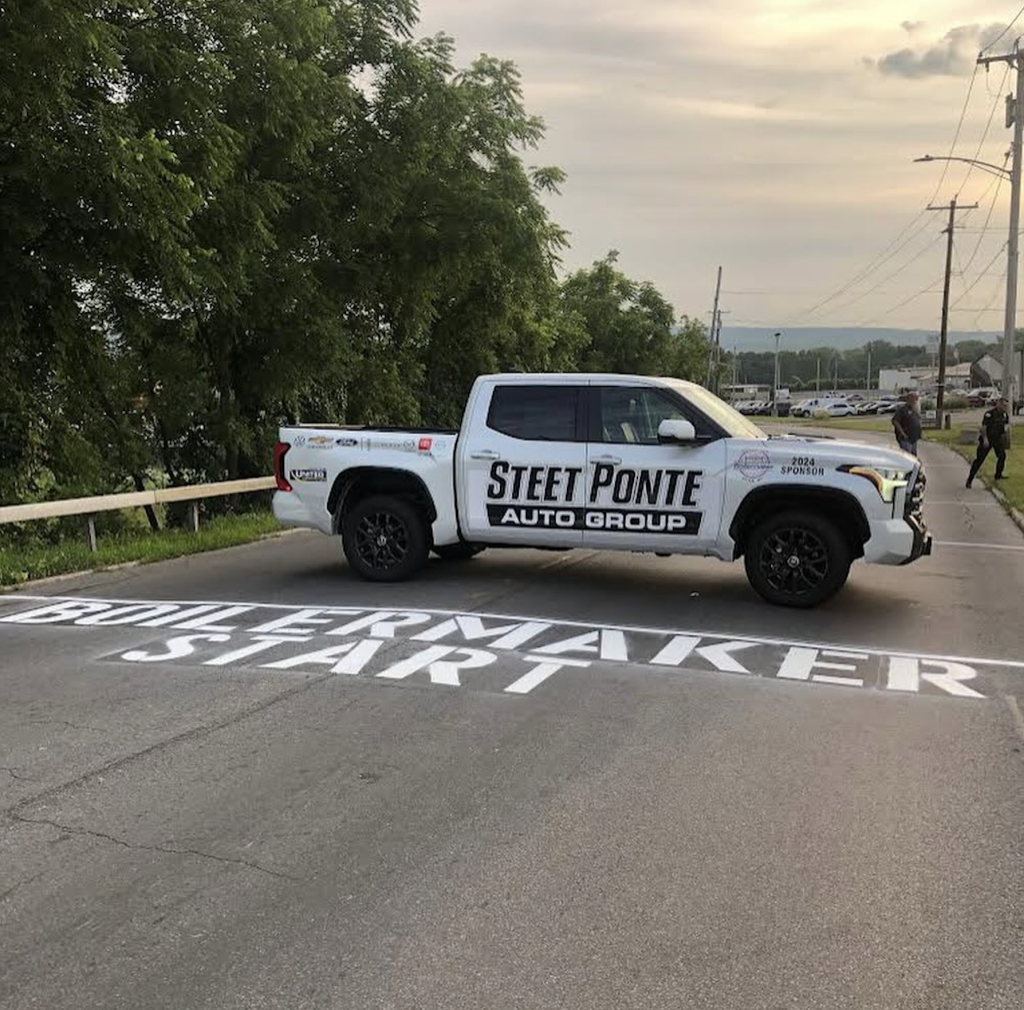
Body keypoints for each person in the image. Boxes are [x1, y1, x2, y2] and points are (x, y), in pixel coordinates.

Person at [966, 396, 1010, 487]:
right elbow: (984, 427)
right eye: (1003, 405)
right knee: (979, 460)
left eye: (1006, 406)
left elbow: (1005, 426)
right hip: (987, 439)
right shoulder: (989, 414)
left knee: (1002, 456)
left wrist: (1005, 438)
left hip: (997, 439)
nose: (1005, 407)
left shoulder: (1005, 415)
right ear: (998, 404)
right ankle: (970, 479)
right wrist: (985, 439)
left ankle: (998, 475)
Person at [892, 391, 922, 456]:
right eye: (914, 398)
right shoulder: (903, 409)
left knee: (913, 457)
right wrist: (902, 433)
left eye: (917, 398)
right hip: (906, 439)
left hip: (914, 439)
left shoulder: (914, 409)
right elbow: (895, 421)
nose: (916, 400)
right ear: (909, 398)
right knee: (907, 456)